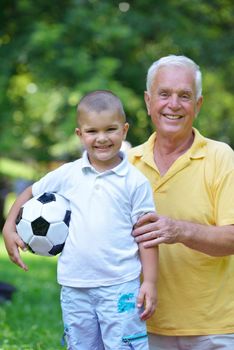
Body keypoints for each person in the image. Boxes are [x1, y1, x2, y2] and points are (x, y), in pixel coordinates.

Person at [3, 90, 158, 350]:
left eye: (111, 129)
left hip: (120, 287)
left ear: (125, 130)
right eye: (92, 131)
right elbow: (30, 192)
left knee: (124, 346)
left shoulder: (135, 182)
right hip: (75, 287)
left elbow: (147, 236)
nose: (102, 138)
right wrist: (9, 226)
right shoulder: (68, 174)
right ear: (79, 134)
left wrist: (150, 282)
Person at [128, 55, 234, 349]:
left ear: (197, 105)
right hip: (142, 322)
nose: (173, 104)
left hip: (214, 329)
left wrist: (178, 231)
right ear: (149, 101)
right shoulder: (126, 165)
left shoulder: (221, 157)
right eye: (164, 94)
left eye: (184, 96)